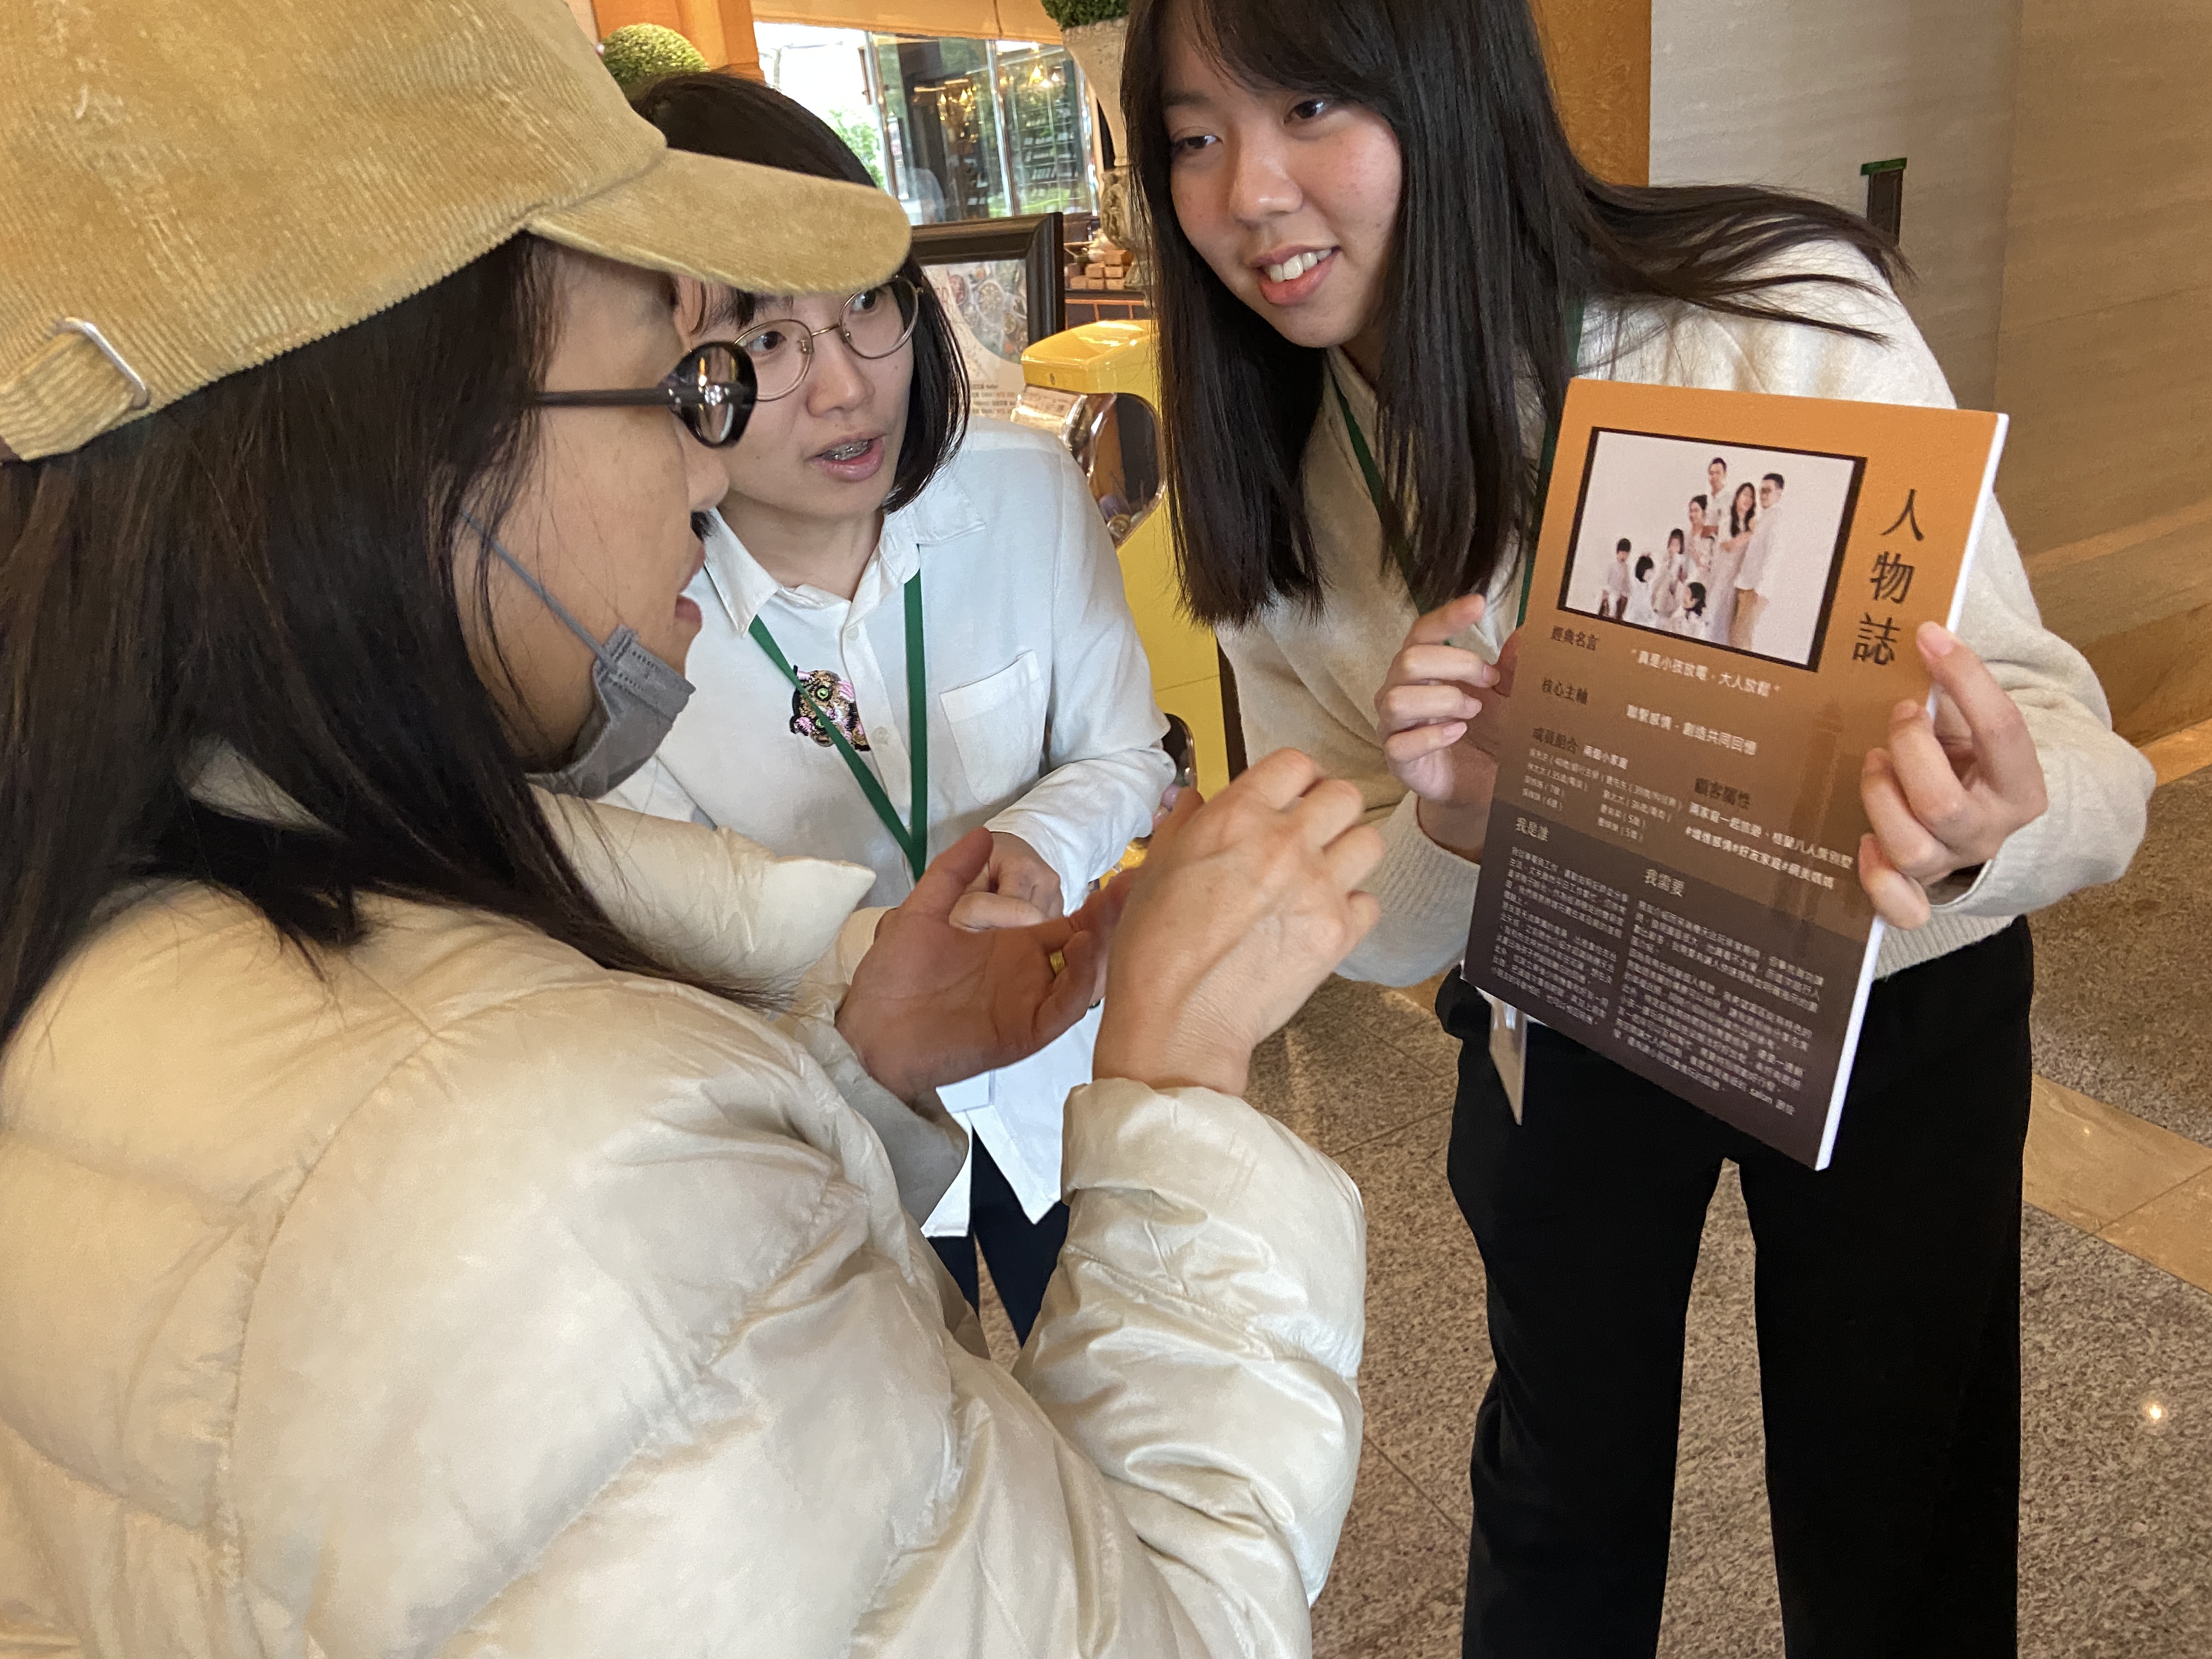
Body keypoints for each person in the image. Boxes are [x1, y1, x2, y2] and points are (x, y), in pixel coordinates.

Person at [0, 2, 1381, 1651]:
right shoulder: (565, 1176)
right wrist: (1183, 1087)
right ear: (409, 451)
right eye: (686, 383)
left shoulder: (112, 918)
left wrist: (850, 1062)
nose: (709, 473)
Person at [1120, 0, 2155, 1650]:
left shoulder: (1773, 318)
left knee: (1896, 1506)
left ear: (1450, 85)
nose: (1247, 192)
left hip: (1885, 994)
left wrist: (1975, 826)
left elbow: (2074, 749)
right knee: (1559, 1497)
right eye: (1193, 136)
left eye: (1311, 106)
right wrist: (1470, 827)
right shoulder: (1276, 473)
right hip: (1570, 1001)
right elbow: (1360, 906)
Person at [610, 74, 1175, 1342]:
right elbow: (675, 937)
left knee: (1108, 1378)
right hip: (835, 1111)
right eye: (766, 341)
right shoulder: (633, 616)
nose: (847, 389)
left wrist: (1032, 847)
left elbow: (1128, 753)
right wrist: (882, 959)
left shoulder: (1024, 494)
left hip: (1049, 1067)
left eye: (865, 303)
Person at [1733, 470, 1789, 650]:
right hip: (1745, 585)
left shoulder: (1777, 518)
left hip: (1756, 589)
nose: (1762, 495)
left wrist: (1761, 589)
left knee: (1741, 639)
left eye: (1767, 491)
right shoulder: (1764, 518)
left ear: (1779, 493)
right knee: (1735, 636)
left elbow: (1774, 555)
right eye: (1761, 491)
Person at [1713, 478, 1759, 650]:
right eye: (1745, 495)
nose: (1748, 499)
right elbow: (1728, 546)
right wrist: (1751, 533)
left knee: (1729, 623)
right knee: (1716, 617)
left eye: (1751, 497)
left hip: (1738, 582)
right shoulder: (1727, 521)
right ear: (1737, 498)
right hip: (1722, 578)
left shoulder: (1750, 524)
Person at [1598, 535, 1634, 618]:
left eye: (1627, 554)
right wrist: (1606, 592)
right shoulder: (1612, 566)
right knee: (1612, 602)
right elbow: (1605, 582)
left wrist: (1626, 593)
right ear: (1617, 552)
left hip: (1621, 596)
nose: (1624, 557)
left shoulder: (1626, 568)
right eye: (1622, 554)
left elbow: (1626, 583)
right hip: (1611, 593)